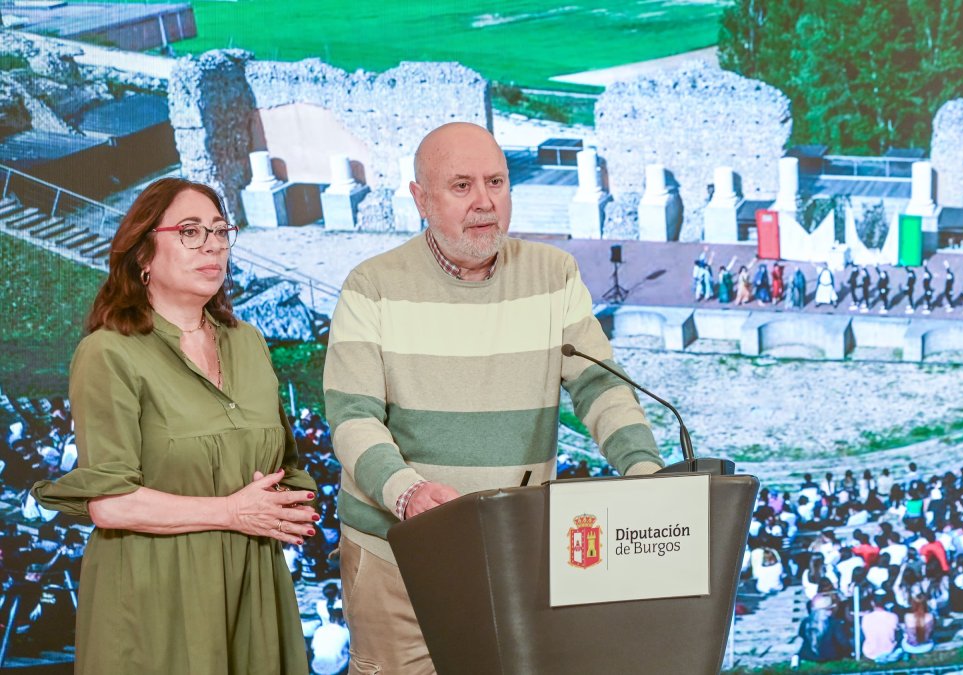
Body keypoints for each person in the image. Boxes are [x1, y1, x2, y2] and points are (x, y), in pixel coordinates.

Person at [323, 122, 664, 674]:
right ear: (420, 199)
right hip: (396, 557)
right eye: (461, 186)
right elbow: (352, 417)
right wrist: (407, 494)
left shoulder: (554, 275)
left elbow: (600, 384)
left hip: (515, 553)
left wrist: (645, 472)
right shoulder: (371, 285)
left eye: (497, 182)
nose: (485, 202)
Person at [30, 178, 319, 674]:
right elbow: (109, 503)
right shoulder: (108, 353)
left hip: (257, 590)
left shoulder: (248, 341)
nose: (212, 244)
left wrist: (290, 506)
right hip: (158, 599)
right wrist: (231, 511)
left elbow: (284, 466)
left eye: (219, 231)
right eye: (190, 231)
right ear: (143, 254)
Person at [860, 593, 903, 664]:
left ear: (872, 603)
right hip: (889, 651)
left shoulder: (866, 617)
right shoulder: (893, 616)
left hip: (870, 652)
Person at [310, 608, 351, 675]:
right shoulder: (346, 632)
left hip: (317, 668)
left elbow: (312, 647)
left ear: (330, 619)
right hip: (336, 669)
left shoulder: (319, 630)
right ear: (343, 620)